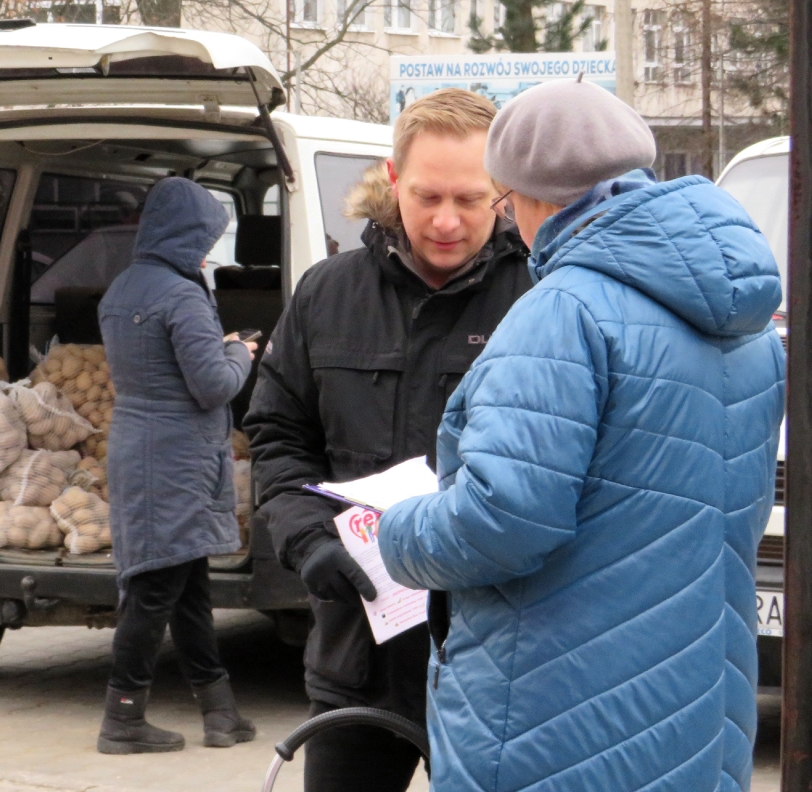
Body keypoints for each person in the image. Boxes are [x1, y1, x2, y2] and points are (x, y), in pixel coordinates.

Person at [378, 79, 786, 792]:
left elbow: (504, 520)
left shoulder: (563, 312)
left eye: (503, 202)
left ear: (532, 198)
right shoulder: (750, 330)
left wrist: (395, 530)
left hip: (556, 722)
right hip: (699, 710)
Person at [243, 88, 531, 792]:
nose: (446, 220)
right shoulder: (326, 293)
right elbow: (278, 435)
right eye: (427, 196)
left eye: (470, 200)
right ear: (393, 179)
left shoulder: (541, 298)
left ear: (503, 193)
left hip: (502, 667)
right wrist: (309, 541)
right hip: (357, 658)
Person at [96, 177, 257, 755]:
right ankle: (122, 720)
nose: (207, 253)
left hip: (136, 447)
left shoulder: (120, 288)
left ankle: (221, 714)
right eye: (204, 240)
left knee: (187, 587)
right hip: (177, 459)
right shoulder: (182, 296)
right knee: (153, 590)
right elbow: (213, 385)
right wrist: (238, 352)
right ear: (184, 235)